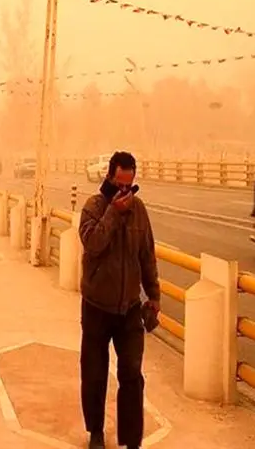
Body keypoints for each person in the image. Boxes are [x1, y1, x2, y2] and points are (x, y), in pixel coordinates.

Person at [78, 151, 161, 449]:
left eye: (130, 185)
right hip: (97, 307)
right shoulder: (93, 207)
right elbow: (93, 244)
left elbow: (147, 256)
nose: (126, 192)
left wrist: (154, 296)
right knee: (95, 373)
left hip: (129, 308)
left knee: (131, 373)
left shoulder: (139, 211)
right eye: (120, 184)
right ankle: (96, 432)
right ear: (111, 178)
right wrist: (113, 212)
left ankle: (131, 440)